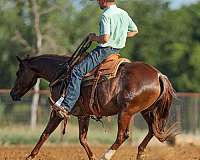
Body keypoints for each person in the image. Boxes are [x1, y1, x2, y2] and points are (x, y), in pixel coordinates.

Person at [50, 0, 138, 115]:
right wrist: (120, 34)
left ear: (104, 1)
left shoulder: (106, 15)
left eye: (99, 0)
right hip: (116, 51)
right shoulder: (123, 13)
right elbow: (134, 31)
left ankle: (66, 106)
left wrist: (94, 38)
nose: (98, 2)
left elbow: (105, 39)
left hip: (104, 51)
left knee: (77, 71)